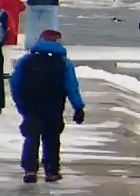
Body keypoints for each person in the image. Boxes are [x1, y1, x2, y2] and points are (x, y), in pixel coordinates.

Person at [9, 29, 85, 184]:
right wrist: (78, 107)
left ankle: (30, 170)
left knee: (32, 136)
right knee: (52, 138)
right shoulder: (64, 62)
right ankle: (52, 171)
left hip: (31, 106)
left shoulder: (26, 60)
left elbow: (15, 83)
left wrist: (21, 104)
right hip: (54, 106)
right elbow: (71, 86)